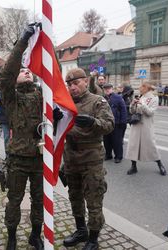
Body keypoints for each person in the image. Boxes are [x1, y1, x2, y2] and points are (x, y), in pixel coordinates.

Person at [0, 23, 44, 250]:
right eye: (22, 70)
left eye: (28, 70)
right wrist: (23, 40)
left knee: (39, 200)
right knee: (14, 200)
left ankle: (36, 234)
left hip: (40, 158)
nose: (26, 71)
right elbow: (6, 73)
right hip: (17, 159)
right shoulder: (10, 96)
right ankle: (12, 236)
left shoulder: (44, 96)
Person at [63, 68, 114, 250]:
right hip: (71, 159)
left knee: (93, 201)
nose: (72, 87)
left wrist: (94, 123)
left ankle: (93, 238)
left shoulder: (97, 101)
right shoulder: (65, 103)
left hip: (91, 160)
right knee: (74, 198)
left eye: (76, 83)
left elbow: (109, 125)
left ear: (85, 81)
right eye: (69, 84)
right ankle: (81, 230)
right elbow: (59, 133)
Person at [125, 82, 167, 176]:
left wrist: (142, 104)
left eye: (141, 87)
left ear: (146, 88)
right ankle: (133, 166)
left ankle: (160, 164)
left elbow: (150, 113)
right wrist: (132, 104)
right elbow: (132, 111)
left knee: (151, 145)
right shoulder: (140, 97)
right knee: (133, 146)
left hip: (146, 126)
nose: (139, 88)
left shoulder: (154, 98)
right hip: (136, 125)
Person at [102, 83, 127, 163]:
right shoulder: (102, 98)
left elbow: (123, 110)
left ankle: (118, 156)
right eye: (105, 88)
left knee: (117, 141)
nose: (107, 90)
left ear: (112, 89)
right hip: (105, 123)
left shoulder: (118, 97)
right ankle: (108, 155)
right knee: (106, 140)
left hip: (116, 123)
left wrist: (123, 122)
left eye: (109, 88)